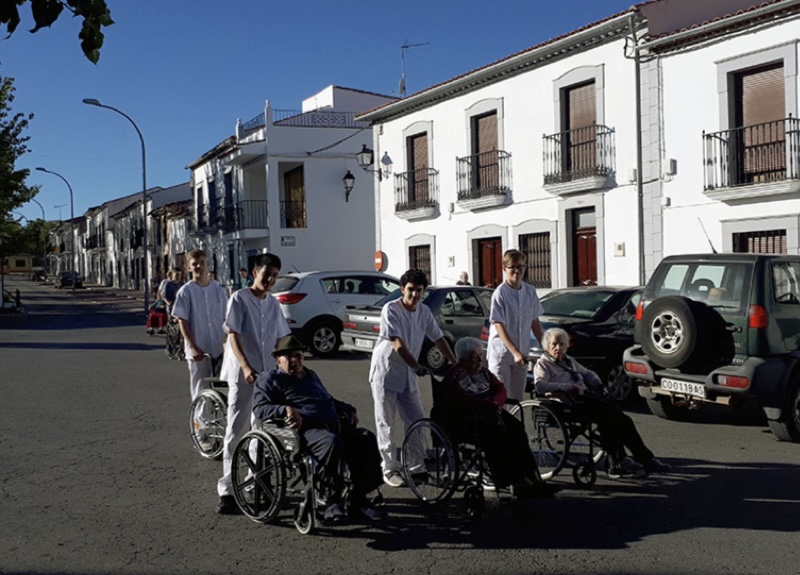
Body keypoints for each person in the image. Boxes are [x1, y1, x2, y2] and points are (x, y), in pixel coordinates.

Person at [253, 335, 386, 522]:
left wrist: (347, 409)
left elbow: (328, 400)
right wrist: (285, 409)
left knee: (366, 438)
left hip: (333, 424)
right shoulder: (270, 379)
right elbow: (259, 408)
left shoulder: (311, 375)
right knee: (332, 443)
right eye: (289, 356)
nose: (295, 360)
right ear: (278, 360)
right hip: (305, 431)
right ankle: (332, 502)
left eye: (298, 356)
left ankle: (360, 499)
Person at [533, 327, 671, 478]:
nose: (558, 348)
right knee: (607, 416)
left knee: (623, 419)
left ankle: (645, 459)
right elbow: (540, 386)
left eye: (562, 344)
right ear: (547, 345)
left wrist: (597, 384)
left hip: (584, 401)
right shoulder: (543, 364)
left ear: (567, 346)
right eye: (554, 344)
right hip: (565, 405)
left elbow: (587, 373)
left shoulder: (569, 361)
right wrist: (568, 387)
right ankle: (617, 461)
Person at [216, 253, 291, 515]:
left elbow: (282, 339)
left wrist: (286, 366)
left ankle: (251, 482)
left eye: (274, 275)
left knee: (262, 429)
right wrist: (246, 366)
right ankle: (227, 489)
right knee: (237, 428)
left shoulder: (273, 304)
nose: (270, 279)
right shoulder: (239, 299)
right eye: (266, 274)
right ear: (254, 272)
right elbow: (233, 335)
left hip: (267, 375)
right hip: (243, 373)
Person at [440, 337, 560, 498]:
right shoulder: (455, 376)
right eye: (477, 356)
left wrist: (496, 403)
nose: (481, 359)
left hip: (490, 411)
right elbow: (460, 400)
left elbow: (500, 388)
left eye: (481, 355)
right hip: (468, 418)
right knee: (498, 434)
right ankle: (518, 481)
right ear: (464, 359)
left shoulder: (483, 372)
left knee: (516, 427)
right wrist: (487, 405)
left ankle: (533, 478)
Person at [369, 268, 457, 487]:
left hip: (408, 373)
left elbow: (438, 338)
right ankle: (389, 468)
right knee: (386, 422)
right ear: (402, 289)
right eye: (410, 290)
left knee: (416, 419)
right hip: (386, 371)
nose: (414, 295)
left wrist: (455, 363)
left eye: (419, 291)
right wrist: (416, 365)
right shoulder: (391, 309)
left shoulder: (425, 312)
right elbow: (397, 343)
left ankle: (417, 466)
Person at [487, 249, 544, 402]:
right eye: (513, 267)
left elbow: (534, 321)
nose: (517, 271)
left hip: (522, 353)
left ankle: (515, 426)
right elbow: (499, 324)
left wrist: (545, 346)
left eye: (521, 266)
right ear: (505, 268)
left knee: (517, 399)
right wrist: (514, 352)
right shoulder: (500, 293)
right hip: (502, 354)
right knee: (501, 399)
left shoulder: (530, 291)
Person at [171, 249, 228, 401]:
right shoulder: (186, 292)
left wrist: (227, 343)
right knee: (199, 387)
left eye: (202, 263)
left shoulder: (219, 290)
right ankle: (199, 422)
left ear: (208, 265)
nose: (199, 267)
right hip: (198, 348)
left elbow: (227, 319)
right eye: (194, 264)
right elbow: (182, 320)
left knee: (225, 387)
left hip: (218, 347)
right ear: (189, 267)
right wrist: (192, 346)